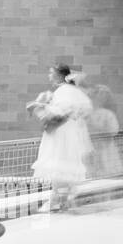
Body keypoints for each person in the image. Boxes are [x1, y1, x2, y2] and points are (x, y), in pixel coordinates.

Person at [31, 64, 94, 211]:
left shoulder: (64, 91)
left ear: (59, 75)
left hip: (61, 133)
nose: (49, 76)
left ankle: (57, 200)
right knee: (63, 165)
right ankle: (62, 200)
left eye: (51, 73)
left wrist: (41, 106)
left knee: (58, 163)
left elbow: (60, 112)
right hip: (68, 132)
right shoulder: (72, 91)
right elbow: (82, 110)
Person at [86, 84, 121, 178]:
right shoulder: (87, 113)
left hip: (105, 147)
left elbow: (114, 131)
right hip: (90, 145)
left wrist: (98, 129)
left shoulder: (107, 114)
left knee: (105, 169)